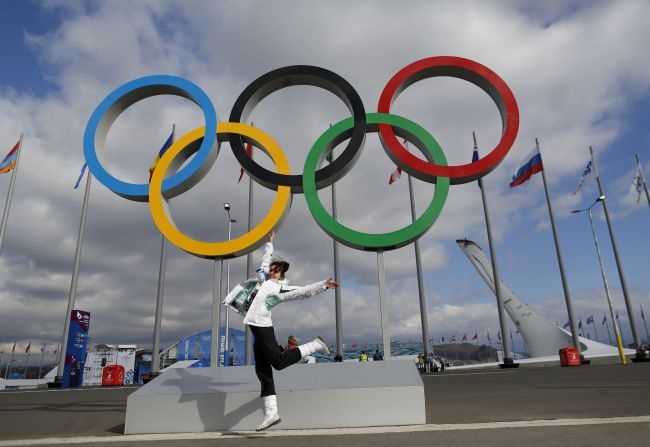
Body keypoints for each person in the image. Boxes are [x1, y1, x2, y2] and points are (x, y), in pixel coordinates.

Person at [240, 231, 339, 431]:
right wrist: (270, 243)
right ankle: (271, 413)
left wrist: (323, 286)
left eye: (275, 272)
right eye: (271, 270)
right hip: (255, 327)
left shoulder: (279, 288)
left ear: (281, 276)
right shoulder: (262, 278)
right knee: (262, 371)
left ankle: (315, 345)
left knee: (277, 363)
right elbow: (264, 260)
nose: (271, 272)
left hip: (262, 327)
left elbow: (302, 292)